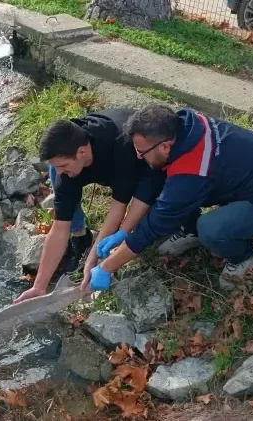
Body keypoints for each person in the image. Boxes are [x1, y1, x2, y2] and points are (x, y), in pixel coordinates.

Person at [88, 104, 253, 291]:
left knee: (211, 228)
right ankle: (191, 229)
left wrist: (107, 267)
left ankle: (245, 254)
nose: (138, 156)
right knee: (168, 188)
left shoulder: (192, 171)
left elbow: (154, 225)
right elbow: (156, 180)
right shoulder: (183, 127)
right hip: (242, 183)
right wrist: (124, 231)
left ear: (165, 146)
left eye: (142, 152)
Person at [13, 108, 165, 304]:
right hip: (95, 162)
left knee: (150, 196)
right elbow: (59, 228)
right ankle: (81, 236)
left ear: (82, 152)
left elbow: (119, 207)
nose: (60, 173)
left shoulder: (121, 147)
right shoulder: (69, 158)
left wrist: (92, 259)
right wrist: (39, 286)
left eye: (63, 166)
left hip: (142, 163)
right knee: (59, 179)